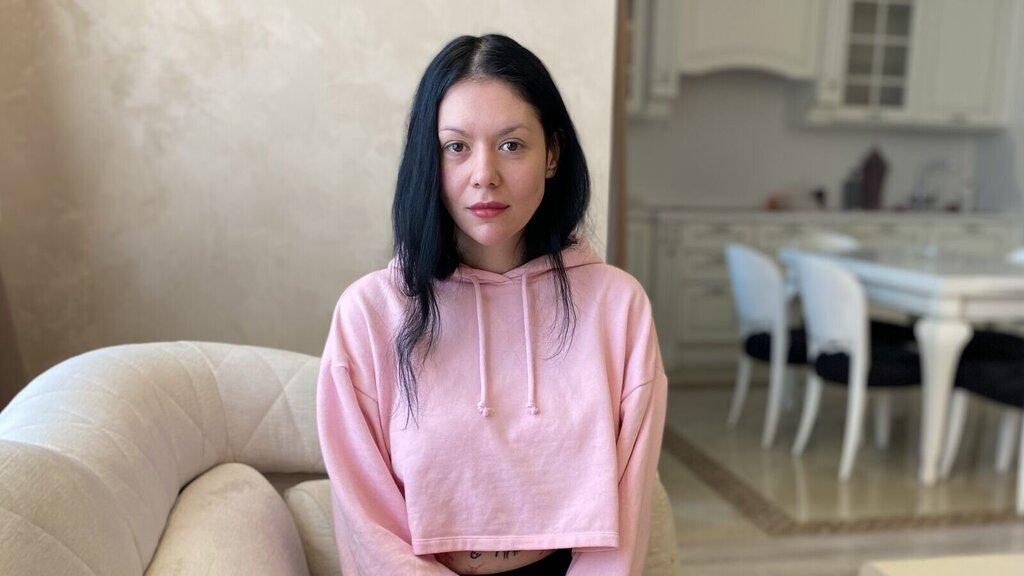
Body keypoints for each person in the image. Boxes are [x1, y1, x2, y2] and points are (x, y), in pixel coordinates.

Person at [317, 34, 667, 576]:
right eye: (456, 147)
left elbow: (630, 505)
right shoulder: (369, 313)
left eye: (511, 145)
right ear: (429, 159)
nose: (484, 174)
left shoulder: (618, 307)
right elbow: (368, 523)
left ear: (552, 154)